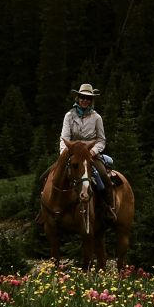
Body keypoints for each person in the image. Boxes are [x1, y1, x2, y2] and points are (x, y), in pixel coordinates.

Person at [59, 83, 116, 220]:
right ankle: (46, 211)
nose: (85, 100)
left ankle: (108, 207)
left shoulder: (97, 118)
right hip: (71, 153)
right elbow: (64, 138)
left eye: (88, 98)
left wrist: (92, 152)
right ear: (78, 98)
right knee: (47, 176)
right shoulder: (69, 116)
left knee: (103, 177)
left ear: (91, 100)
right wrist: (64, 153)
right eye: (83, 97)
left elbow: (101, 140)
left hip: (90, 154)